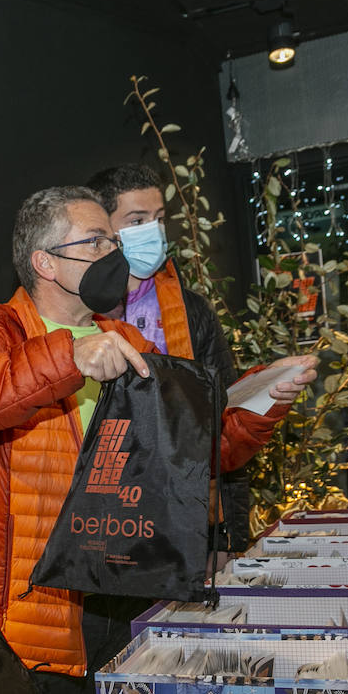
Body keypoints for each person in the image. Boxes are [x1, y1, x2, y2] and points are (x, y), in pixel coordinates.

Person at [0, 186, 310, 694]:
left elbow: (194, 450)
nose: (112, 254)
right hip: (33, 623)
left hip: (125, 607)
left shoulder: (122, 337)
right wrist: (64, 358)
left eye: (113, 242)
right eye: (95, 241)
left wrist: (264, 403)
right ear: (45, 261)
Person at [87, 164, 317, 553]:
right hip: (109, 518)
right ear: (101, 229)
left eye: (159, 219)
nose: (153, 232)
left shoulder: (192, 310)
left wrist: (264, 387)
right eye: (137, 220)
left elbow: (223, 414)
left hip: (190, 515)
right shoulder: (78, 314)